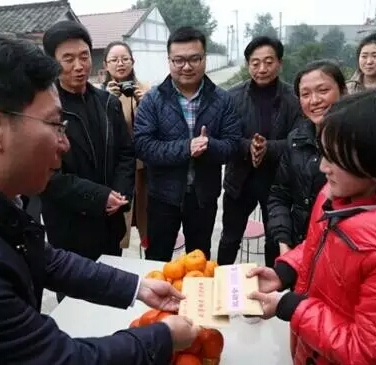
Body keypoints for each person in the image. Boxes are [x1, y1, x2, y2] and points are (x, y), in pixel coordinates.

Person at [0, 34, 200, 364]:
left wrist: (138, 288)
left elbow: (43, 258)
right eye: (54, 125)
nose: (64, 144)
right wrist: (163, 337)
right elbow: (59, 359)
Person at [249, 89, 376, 365]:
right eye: (324, 153)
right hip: (314, 350)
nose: (323, 167)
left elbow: (370, 354)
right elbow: (324, 246)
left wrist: (293, 307)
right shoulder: (341, 196)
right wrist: (285, 271)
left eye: (334, 159)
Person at [134, 26, 241, 261]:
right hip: (163, 196)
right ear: (169, 61)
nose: (187, 66)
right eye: (179, 60)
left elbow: (233, 146)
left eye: (194, 59)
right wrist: (187, 147)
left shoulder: (223, 100)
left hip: (203, 198)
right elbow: (142, 146)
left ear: (204, 59)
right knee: (158, 259)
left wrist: (209, 146)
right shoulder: (153, 100)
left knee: (199, 259)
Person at [40, 22, 135, 268]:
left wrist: (119, 193)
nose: (79, 66)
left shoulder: (107, 103)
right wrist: (98, 197)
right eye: (68, 59)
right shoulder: (42, 111)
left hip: (109, 221)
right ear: (51, 62)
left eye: (84, 56)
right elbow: (45, 174)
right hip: (69, 226)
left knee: (114, 290)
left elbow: (126, 153)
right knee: (75, 299)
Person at [219, 36, 301, 267]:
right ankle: (222, 278)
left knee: (275, 240)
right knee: (229, 238)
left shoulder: (293, 99)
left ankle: (272, 290)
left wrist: (269, 148)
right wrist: (248, 147)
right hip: (239, 180)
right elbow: (226, 137)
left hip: (277, 183)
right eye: (255, 63)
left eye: (268, 62)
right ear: (248, 65)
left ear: (280, 63)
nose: (262, 69)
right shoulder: (232, 97)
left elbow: (299, 140)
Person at [267, 60, 346, 255]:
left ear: (343, 91)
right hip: (298, 246)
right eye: (305, 94)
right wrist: (283, 239)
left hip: (338, 250)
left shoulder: (356, 142)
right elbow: (279, 194)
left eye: (323, 90)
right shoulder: (296, 139)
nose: (314, 100)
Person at [102, 41, 150, 250]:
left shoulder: (146, 90)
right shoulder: (100, 94)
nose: (120, 64)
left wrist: (143, 104)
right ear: (105, 65)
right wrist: (106, 100)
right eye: (114, 60)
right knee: (120, 214)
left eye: (125, 59)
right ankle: (118, 246)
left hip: (144, 165)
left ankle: (148, 245)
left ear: (133, 61)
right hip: (117, 167)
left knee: (147, 213)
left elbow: (152, 127)